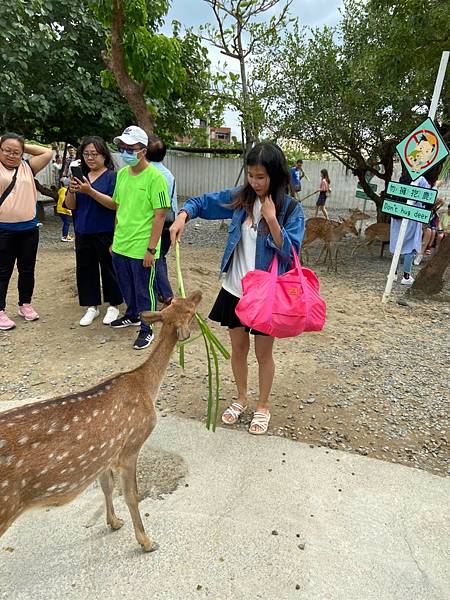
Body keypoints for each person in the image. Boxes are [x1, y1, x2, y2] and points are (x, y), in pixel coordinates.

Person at [170, 143, 304, 435]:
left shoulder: (290, 209)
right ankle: (241, 398)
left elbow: (291, 253)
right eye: (251, 176)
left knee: (263, 354)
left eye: (261, 177)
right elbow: (203, 202)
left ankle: (263, 405)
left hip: (265, 295)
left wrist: (271, 219)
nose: (255, 183)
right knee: (238, 349)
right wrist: (182, 216)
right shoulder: (241, 199)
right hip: (234, 289)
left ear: (276, 175)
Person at [110, 126, 171, 350]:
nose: (125, 152)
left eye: (130, 148)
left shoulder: (156, 178)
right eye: (121, 148)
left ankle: (147, 328)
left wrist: (151, 249)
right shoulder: (122, 175)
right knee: (126, 285)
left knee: (145, 289)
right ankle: (133, 314)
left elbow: (160, 215)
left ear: (143, 151)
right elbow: (119, 207)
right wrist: (114, 240)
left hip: (142, 245)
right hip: (121, 243)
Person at [64, 136, 123, 326]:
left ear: (104, 155)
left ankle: (114, 305)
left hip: (106, 231)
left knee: (110, 269)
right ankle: (92, 306)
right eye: (86, 154)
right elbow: (70, 205)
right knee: (85, 269)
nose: (90, 158)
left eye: (94, 154)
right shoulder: (80, 176)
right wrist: (72, 190)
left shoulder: (113, 177)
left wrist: (90, 191)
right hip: (83, 230)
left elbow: (115, 205)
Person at [0, 132, 53, 330]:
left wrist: (21, 146)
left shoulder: (27, 167)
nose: (11, 155)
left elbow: (47, 152)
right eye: (6, 150)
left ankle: (25, 304)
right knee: (2, 271)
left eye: (16, 152)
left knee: (27, 269)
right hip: (3, 229)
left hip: (29, 228)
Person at [391, 164, 442, 284]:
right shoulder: (422, 180)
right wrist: (435, 187)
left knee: (397, 243)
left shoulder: (403, 178)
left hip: (397, 213)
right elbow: (428, 202)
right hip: (412, 217)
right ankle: (406, 276)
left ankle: (393, 274)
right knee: (410, 245)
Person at [147, 135, 178, 306]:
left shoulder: (147, 174)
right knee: (161, 256)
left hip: (154, 221)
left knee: (155, 257)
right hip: (170, 221)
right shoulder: (169, 174)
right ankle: (161, 292)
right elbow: (173, 202)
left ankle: (167, 295)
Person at [56, 177, 73, 242]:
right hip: (64, 210)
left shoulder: (62, 190)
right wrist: (69, 211)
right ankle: (64, 236)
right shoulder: (64, 190)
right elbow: (64, 201)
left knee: (66, 223)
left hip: (61, 210)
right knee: (67, 223)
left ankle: (66, 235)